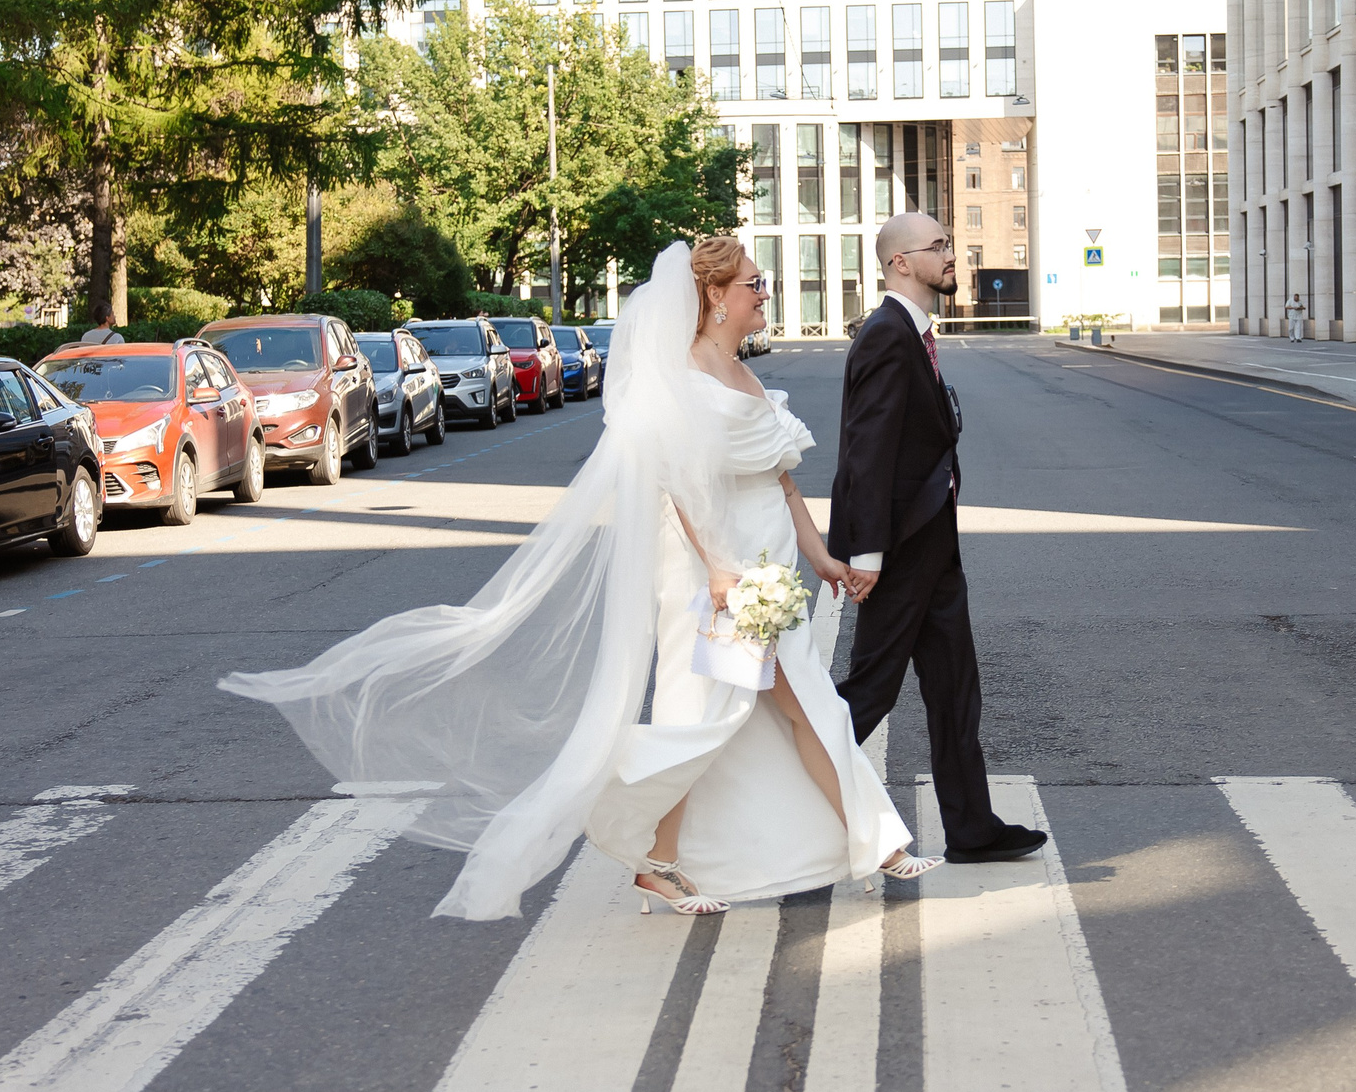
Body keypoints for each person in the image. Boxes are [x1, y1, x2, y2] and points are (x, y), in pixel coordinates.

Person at [221, 238, 937, 920]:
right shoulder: (678, 377)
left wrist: (818, 556)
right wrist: (719, 567)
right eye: (754, 282)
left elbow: (780, 480)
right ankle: (666, 848)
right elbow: (678, 486)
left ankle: (872, 844)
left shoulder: (743, 371)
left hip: (769, 562)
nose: (764, 292)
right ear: (716, 296)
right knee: (705, 718)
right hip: (709, 569)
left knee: (804, 706)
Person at [826, 212, 1047, 864]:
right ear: (900, 263)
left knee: (955, 685)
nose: (953, 255)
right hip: (896, 549)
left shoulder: (913, 333)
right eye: (940, 247)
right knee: (869, 690)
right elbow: (866, 452)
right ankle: (776, 795)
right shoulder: (886, 335)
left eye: (950, 243)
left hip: (931, 542)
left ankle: (971, 827)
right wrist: (865, 554)